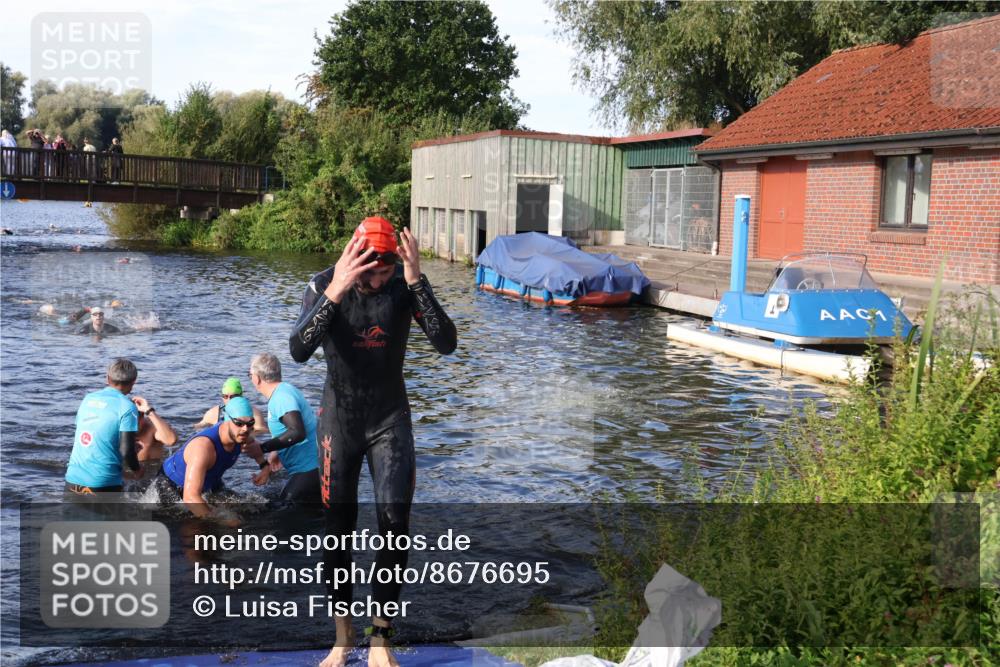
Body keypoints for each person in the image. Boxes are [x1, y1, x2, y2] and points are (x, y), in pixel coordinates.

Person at [289, 216, 457, 667]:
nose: (377, 283)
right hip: (340, 422)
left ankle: (380, 639)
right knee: (338, 531)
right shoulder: (327, 282)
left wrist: (417, 281)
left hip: (389, 419)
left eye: (385, 274)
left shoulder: (404, 285)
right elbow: (298, 350)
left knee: (394, 522)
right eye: (370, 275)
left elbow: (447, 343)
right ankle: (343, 638)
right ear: (355, 262)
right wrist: (336, 290)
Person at [159, 396, 267, 525]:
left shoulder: (242, 436)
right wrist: (224, 520)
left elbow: (255, 447)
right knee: (201, 528)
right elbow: (190, 498)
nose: (245, 429)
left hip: (210, 484)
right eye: (239, 423)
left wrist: (265, 466)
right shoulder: (203, 447)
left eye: (250, 423)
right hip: (172, 488)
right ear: (227, 420)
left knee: (253, 508)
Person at [242, 353, 321, 503]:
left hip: (309, 470)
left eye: (249, 374)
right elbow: (290, 429)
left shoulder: (281, 398)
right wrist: (275, 452)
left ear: (257, 378)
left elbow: (297, 432)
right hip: (314, 468)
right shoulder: (285, 390)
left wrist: (262, 448)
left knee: (281, 514)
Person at [65, 358, 144, 496]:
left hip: (72, 479)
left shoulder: (88, 398)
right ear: (133, 382)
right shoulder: (128, 407)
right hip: (103, 483)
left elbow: (91, 435)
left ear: (107, 378)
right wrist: (137, 470)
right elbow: (126, 451)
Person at [194, 377, 267, 434]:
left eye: (233, 397)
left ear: (241, 395)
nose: (229, 400)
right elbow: (197, 428)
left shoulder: (254, 412)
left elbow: (262, 431)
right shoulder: (214, 413)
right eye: (225, 396)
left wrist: (245, 436)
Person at [133, 394, 178, 466]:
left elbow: (171, 440)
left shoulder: (153, 427)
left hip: (152, 471)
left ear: (142, 418)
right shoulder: (116, 428)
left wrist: (148, 410)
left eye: (134, 423)